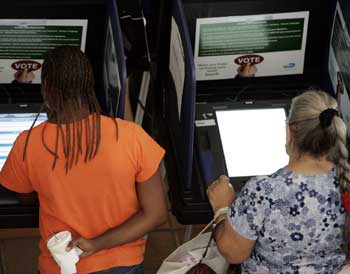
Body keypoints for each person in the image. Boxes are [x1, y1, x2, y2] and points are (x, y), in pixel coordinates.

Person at [0, 46, 168, 274]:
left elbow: (26, 197)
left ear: (46, 88)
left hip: (60, 265)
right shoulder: (130, 136)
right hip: (123, 264)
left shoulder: (27, 143)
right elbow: (156, 214)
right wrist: (97, 244)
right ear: (89, 86)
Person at [207, 90, 350, 273]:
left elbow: (234, 253)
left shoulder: (262, 191)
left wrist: (222, 209)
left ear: (289, 132)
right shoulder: (344, 181)